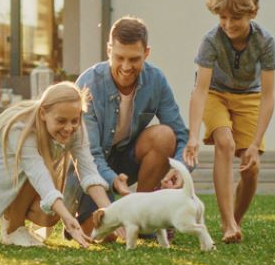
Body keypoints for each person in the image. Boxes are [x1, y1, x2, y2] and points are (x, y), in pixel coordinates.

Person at [63, 16, 189, 236]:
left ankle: (144, 218)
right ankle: (84, 219)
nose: (126, 66)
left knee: (164, 136)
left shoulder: (156, 80)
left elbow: (180, 135)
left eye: (134, 59)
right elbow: (89, 155)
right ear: (109, 50)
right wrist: (112, 181)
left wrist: (179, 169)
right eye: (119, 57)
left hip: (127, 160)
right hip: (89, 167)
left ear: (146, 53)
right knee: (108, 235)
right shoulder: (88, 83)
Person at [0, 81, 113, 247]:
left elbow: (89, 173)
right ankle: (12, 230)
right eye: (61, 121)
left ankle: (15, 226)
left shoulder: (76, 128)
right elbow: (37, 174)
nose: (69, 127)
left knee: (49, 215)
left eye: (75, 120)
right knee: (41, 183)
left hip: (19, 175)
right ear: (43, 113)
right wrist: (68, 218)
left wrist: (113, 215)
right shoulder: (22, 127)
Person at [184, 0, 275, 243]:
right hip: (216, 94)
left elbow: (269, 96)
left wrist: (256, 142)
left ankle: (235, 222)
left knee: (250, 168)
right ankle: (227, 223)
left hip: (249, 97)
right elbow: (200, 90)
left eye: (235, 18)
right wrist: (193, 136)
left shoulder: (265, 42)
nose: (227, 25)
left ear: (252, 13)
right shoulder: (211, 40)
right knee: (224, 142)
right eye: (222, 17)